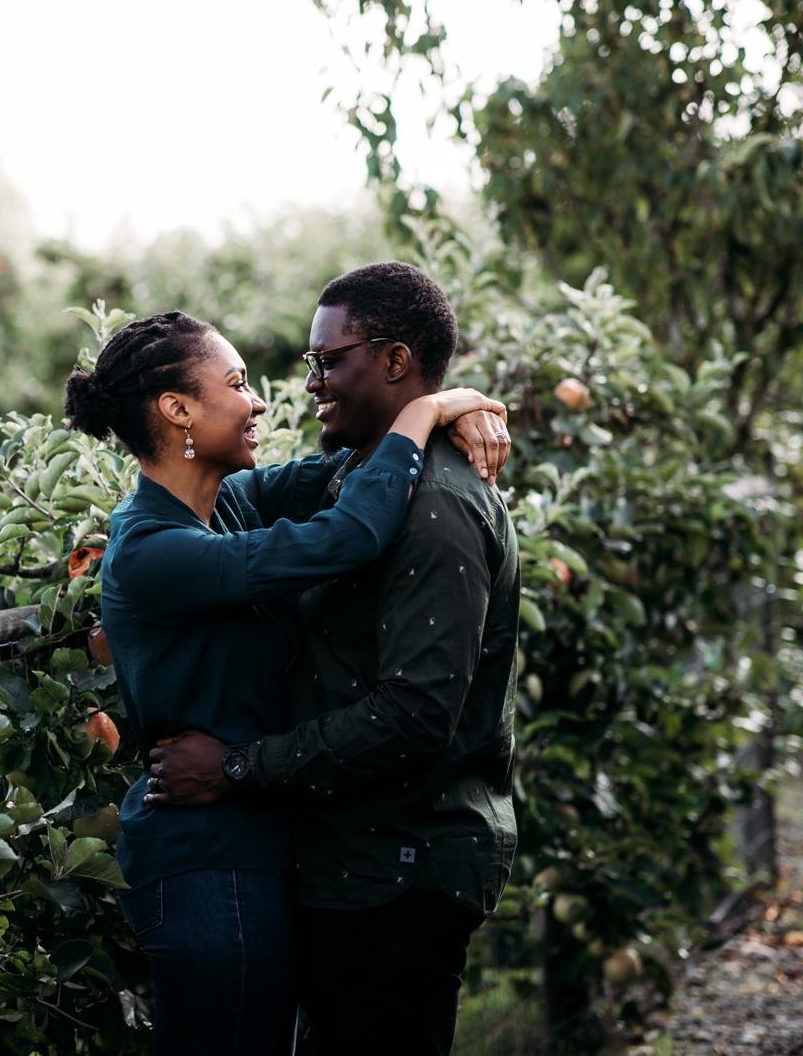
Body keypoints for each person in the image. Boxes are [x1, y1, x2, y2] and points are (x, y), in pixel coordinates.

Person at [61, 309, 509, 1055]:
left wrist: (456, 411)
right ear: (178, 411)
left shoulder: (227, 503)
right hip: (206, 858)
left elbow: (350, 472)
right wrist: (428, 407)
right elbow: (349, 532)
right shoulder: (153, 549)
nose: (260, 400)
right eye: (236, 383)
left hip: (256, 845)